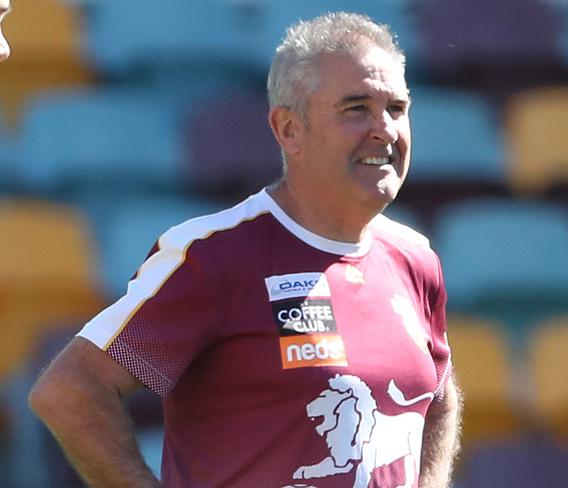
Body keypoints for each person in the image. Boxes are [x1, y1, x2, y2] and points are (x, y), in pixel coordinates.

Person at [29, 11, 461, 488]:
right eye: (356, 108)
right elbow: (70, 391)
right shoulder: (216, 255)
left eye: (397, 108)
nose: (384, 128)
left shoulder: (415, 258)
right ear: (288, 130)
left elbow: (437, 397)